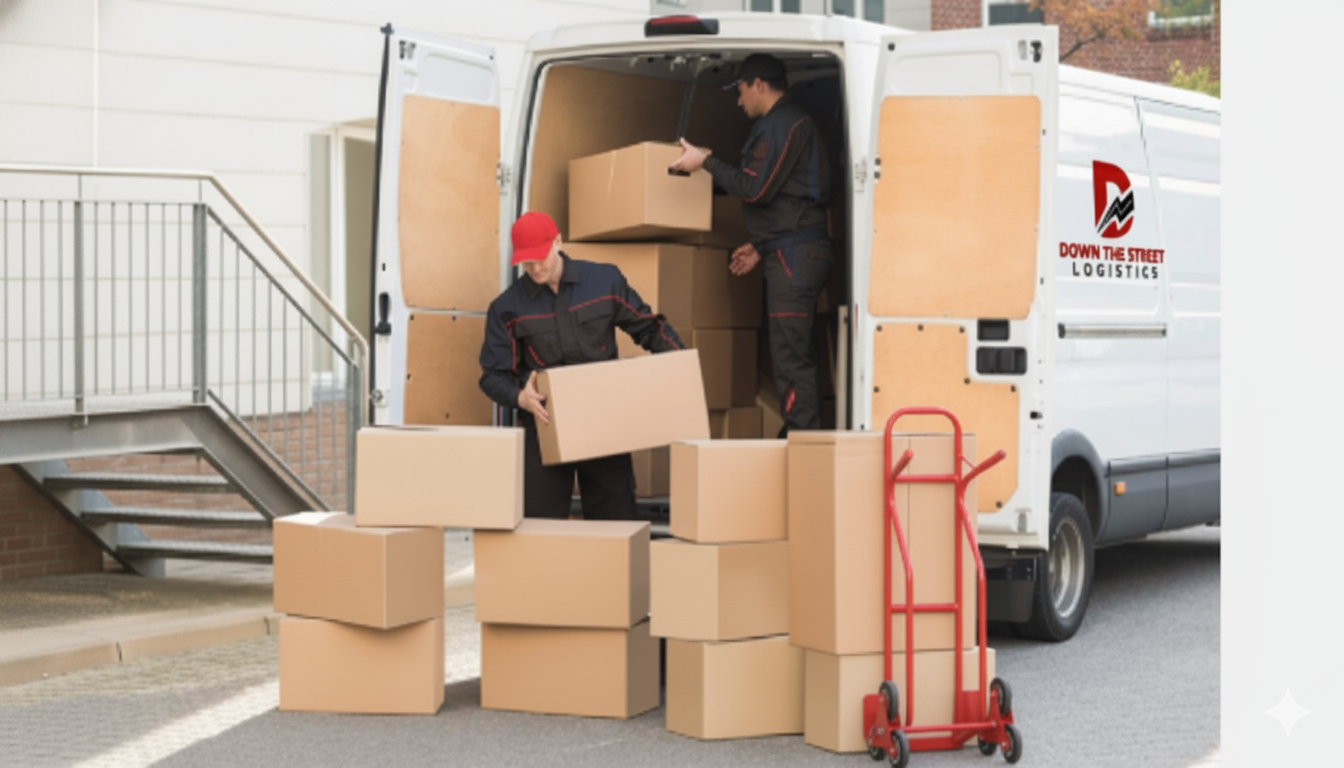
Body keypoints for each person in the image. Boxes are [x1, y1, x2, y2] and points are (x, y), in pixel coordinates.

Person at [479, 211, 686, 520]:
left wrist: (681, 367)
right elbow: (493, 376)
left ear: (557, 241)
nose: (534, 268)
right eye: (526, 262)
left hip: (604, 420)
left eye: (539, 258)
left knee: (615, 520)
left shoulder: (604, 281)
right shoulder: (507, 308)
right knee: (539, 522)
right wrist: (520, 397)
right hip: (545, 421)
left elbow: (649, 329)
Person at [671, 53, 832, 436]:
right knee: (796, 353)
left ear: (759, 84)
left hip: (795, 258)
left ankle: (801, 443)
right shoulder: (789, 123)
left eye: (741, 90)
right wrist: (761, 246)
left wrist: (705, 161)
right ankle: (798, 435)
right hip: (792, 249)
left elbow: (753, 187)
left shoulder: (780, 125)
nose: (738, 100)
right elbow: (788, 196)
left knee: (791, 359)